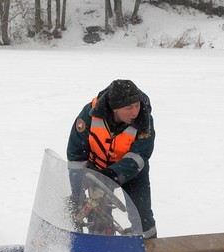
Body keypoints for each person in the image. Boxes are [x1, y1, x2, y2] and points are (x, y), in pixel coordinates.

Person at [67, 79, 157, 238]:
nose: (135, 111)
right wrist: (77, 193)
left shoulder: (144, 119)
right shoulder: (88, 116)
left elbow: (140, 155)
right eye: (129, 107)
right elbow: (76, 155)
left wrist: (112, 175)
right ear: (115, 108)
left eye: (137, 105)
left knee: (142, 218)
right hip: (97, 172)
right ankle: (99, 248)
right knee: (97, 217)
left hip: (133, 173)